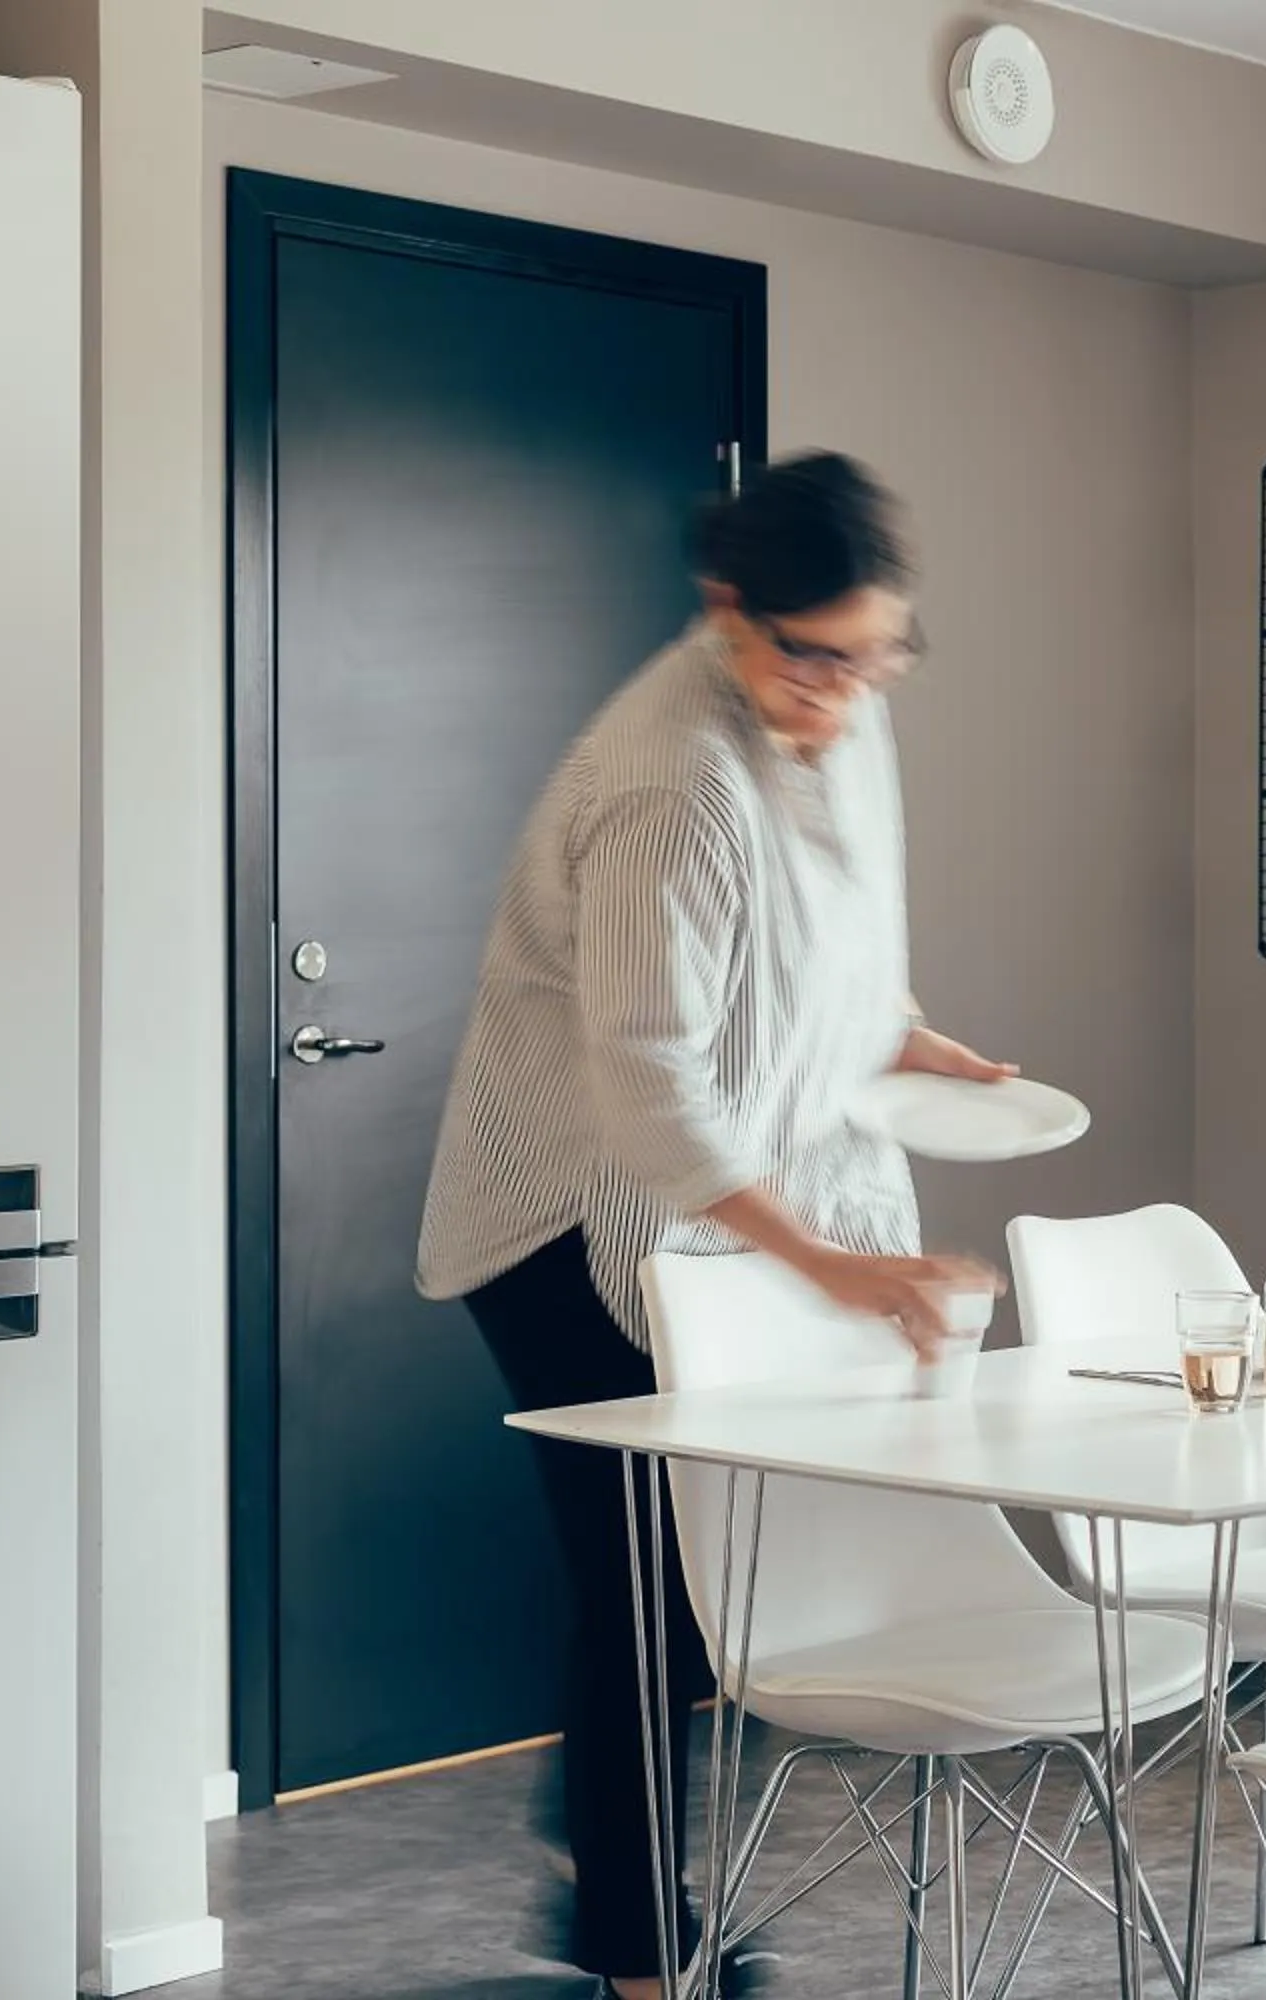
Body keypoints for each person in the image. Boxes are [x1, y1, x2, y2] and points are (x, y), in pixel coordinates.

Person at [417, 452, 1007, 1999]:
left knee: (714, 1589)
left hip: (713, 1200)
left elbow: (835, 921)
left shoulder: (843, 696)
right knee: (646, 1587)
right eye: (815, 657)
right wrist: (832, 1267)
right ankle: (637, 1953)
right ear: (725, 611)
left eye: (878, 652)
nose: (847, 690)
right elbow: (651, 1088)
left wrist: (900, 1029)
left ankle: (600, 1848)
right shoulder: (667, 779)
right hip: (565, 1212)